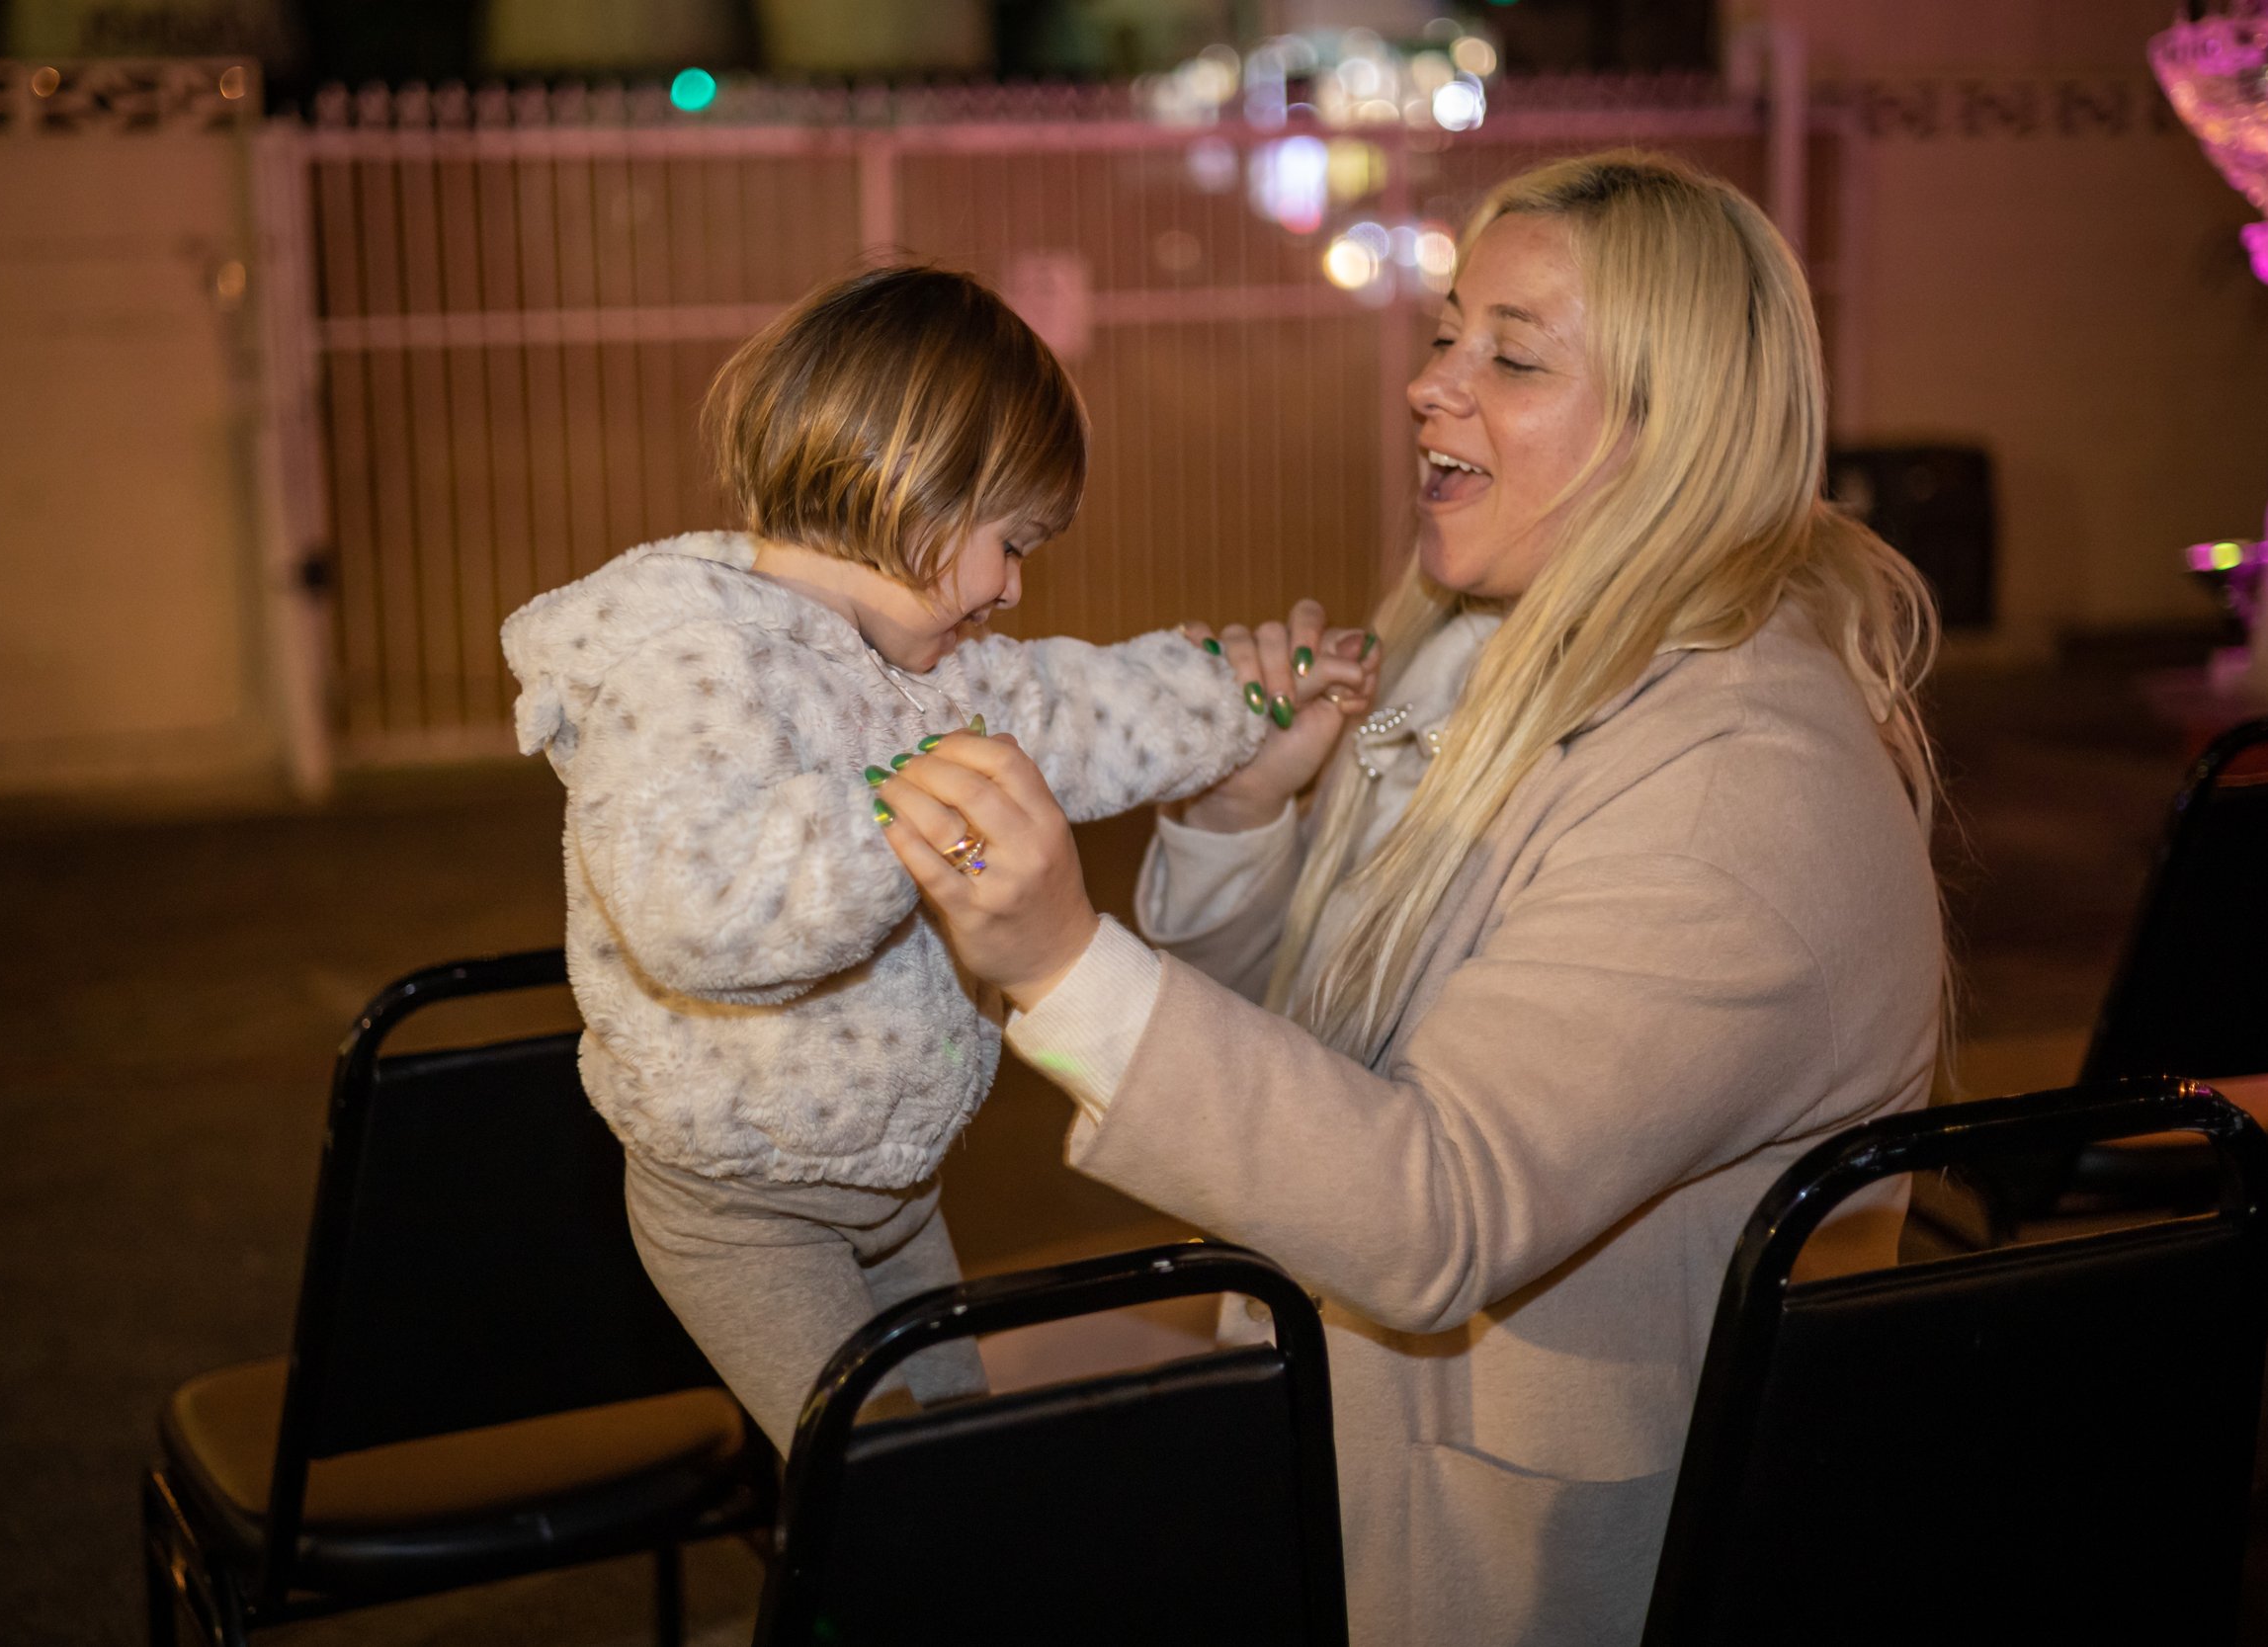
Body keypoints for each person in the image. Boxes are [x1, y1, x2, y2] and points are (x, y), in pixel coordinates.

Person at [874, 152, 1944, 1643]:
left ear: (1675, 433)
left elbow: (1427, 1209)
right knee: (884, 1443)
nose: (1431, 385)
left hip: (1520, 1543)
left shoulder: (1733, 795)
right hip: (1345, 1404)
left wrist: (1061, 961)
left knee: (910, 1500)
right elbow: (1291, 1062)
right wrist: (1248, 819)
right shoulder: (1463, 653)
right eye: (1450, 333)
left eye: (1512, 356)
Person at [498, 264, 1380, 1454]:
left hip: (895, 1179)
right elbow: (695, 911)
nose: (1016, 587)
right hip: (743, 1201)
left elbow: (1088, 702)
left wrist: (1249, 692)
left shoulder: (936, 662)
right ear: (911, 487)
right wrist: (909, 813)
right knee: (879, 1483)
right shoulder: (690, 660)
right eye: (1010, 542)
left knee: (951, 1457)